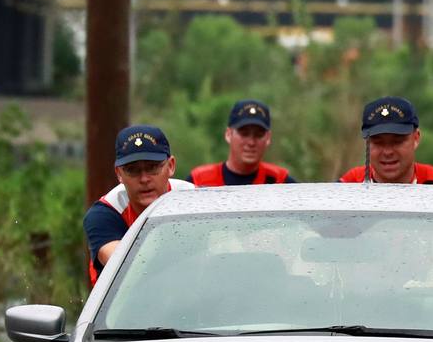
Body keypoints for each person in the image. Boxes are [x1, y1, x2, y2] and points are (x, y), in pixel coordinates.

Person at [84, 124, 194, 285]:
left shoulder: (195, 200)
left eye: (152, 168)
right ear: (119, 174)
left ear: (171, 166)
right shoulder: (105, 213)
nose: (144, 179)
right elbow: (126, 268)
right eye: (132, 170)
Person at [338, 96, 433, 185]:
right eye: (378, 142)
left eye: (397, 141)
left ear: (416, 138)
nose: (387, 152)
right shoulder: (349, 186)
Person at [189, 99, 297, 186]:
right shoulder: (199, 181)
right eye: (244, 134)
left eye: (258, 135)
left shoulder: (280, 182)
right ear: (228, 134)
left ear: (268, 138)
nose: (251, 142)